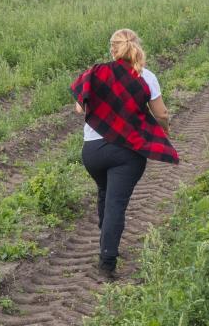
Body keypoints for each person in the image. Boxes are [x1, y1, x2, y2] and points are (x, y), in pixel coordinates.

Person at [71, 28, 177, 278]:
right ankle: (107, 263)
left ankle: (106, 242)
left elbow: (79, 107)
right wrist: (164, 133)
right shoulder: (146, 76)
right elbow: (161, 114)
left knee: (105, 194)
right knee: (116, 205)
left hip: (93, 151)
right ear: (136, 47)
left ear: (113, 49)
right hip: (127, 153)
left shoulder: (95, 73)